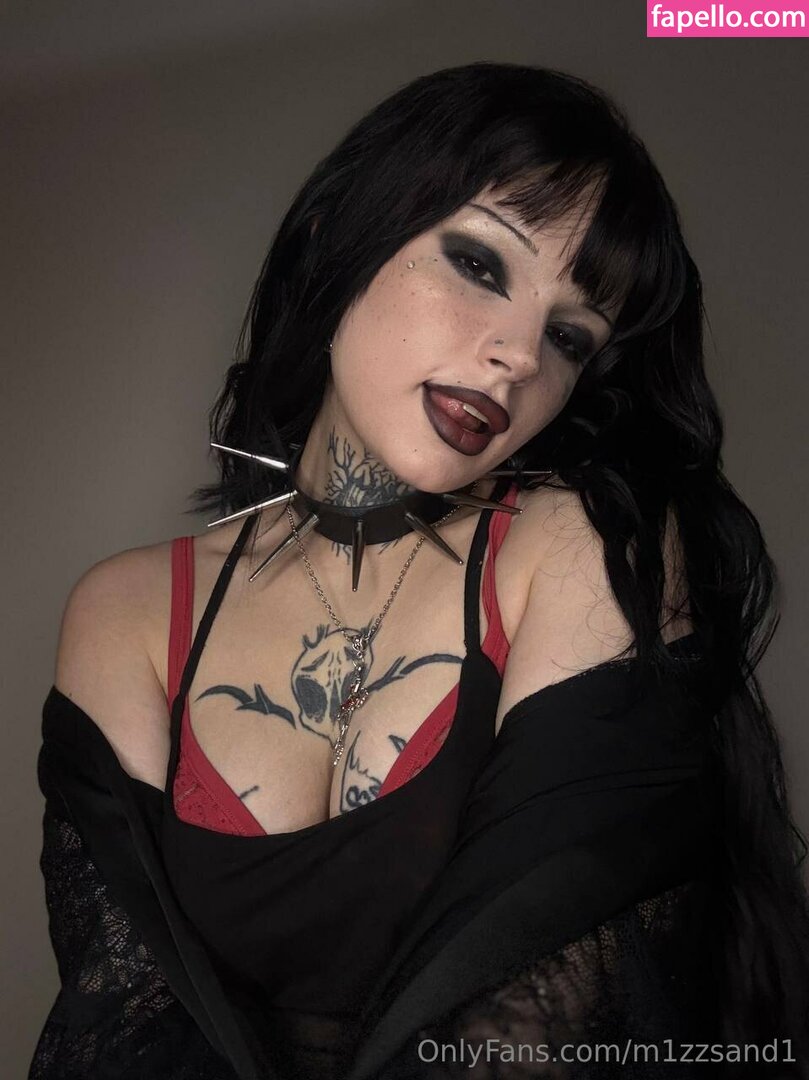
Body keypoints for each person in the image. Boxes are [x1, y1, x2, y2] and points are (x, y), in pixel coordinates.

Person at [30, 61, 809, 1080]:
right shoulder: (129, 611)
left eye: (569, 336)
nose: (519, 355)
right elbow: (117, 1031)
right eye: (480, 265)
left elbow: (553, 1019)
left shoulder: (576, 547)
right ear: (336, 238)